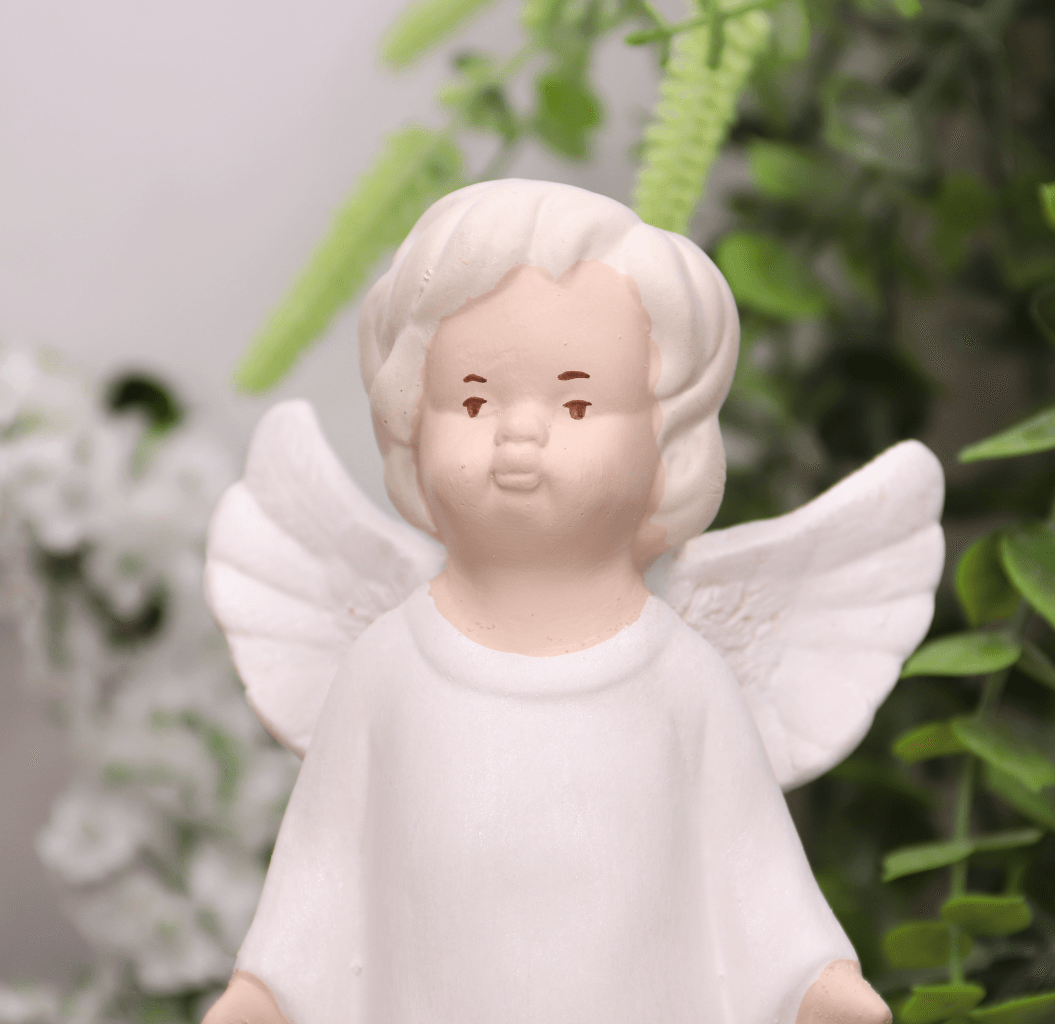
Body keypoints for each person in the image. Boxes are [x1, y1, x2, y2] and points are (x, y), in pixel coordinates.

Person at [204, 180, 893, 1024]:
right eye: (472, 398)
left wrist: (817, 983)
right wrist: (265, 993)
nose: (517, 430)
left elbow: (747, 867)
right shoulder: (385, 668)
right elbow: (326, 864)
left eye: (574, 401)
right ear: (411, 419)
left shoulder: (681, 677)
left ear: (666, 441)